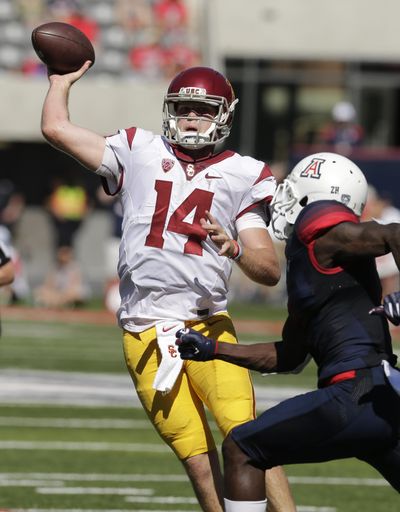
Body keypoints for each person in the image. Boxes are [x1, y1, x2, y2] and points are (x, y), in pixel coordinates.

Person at [40, 63, 296, 512]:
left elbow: (269, 270)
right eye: (184, 108)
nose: (192, 118)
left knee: (246, 435)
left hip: (207, 325)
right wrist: (60, 83)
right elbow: (55, 129)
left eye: (203, 110)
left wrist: (233, 248)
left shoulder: (244, 173)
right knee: (197, 460)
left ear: (225, 115)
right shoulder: (138, 147)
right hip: (143, 333)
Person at [176, 152, 400, 511]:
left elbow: (394, 232)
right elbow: (289, 356)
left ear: (314, 196)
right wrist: (214, 349)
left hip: (354, 395)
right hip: (382, 401)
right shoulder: (310, 262)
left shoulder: (326, 235)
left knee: (241, 448)